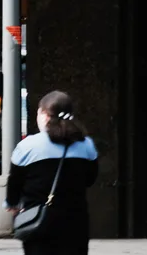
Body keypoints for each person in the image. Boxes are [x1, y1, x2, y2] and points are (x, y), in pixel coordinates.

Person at [6, 91, 99, 255]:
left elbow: (15, 181)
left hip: (38, 219)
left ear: (44, 115)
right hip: (76, 219)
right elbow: (90, 178)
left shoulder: (28, 145)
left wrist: (12, 204)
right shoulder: (86, 145)